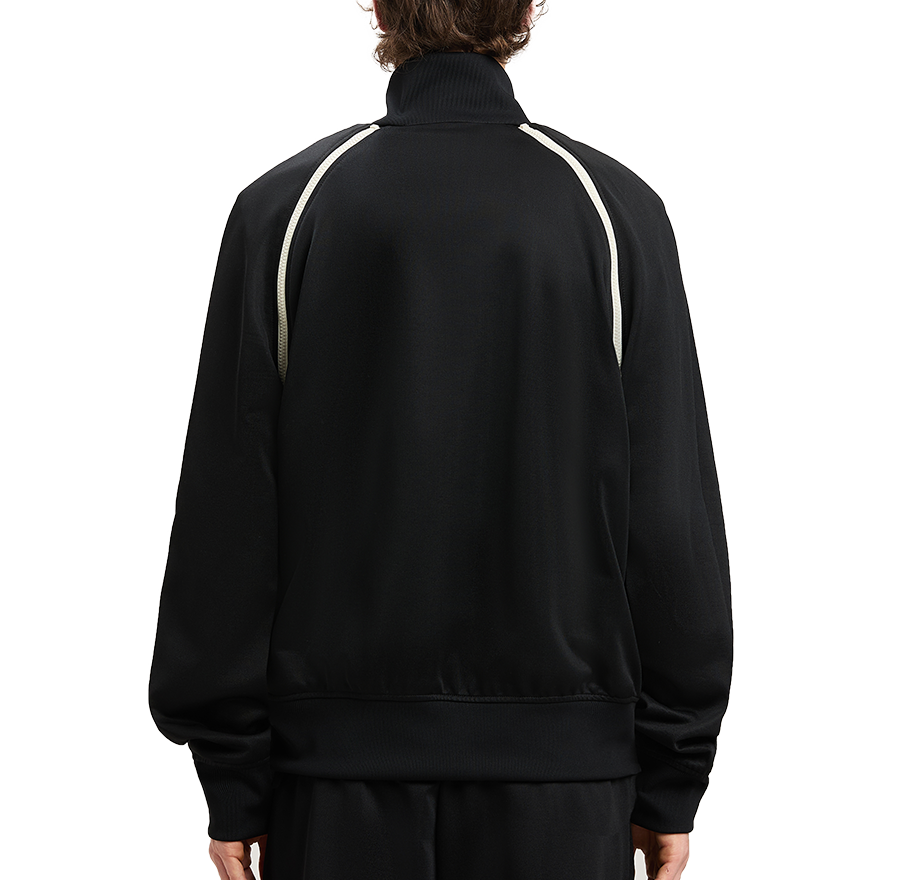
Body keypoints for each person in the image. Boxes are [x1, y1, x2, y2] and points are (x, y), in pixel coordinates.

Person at [147, 1, 734, 878]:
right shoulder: (614, 211)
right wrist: (672, 767)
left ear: (377, 5)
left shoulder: (286, 207)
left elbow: (228, 512)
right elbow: (669, 513)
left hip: (333, 784)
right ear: (530, 6)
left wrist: (233, 769)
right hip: (566, 785)